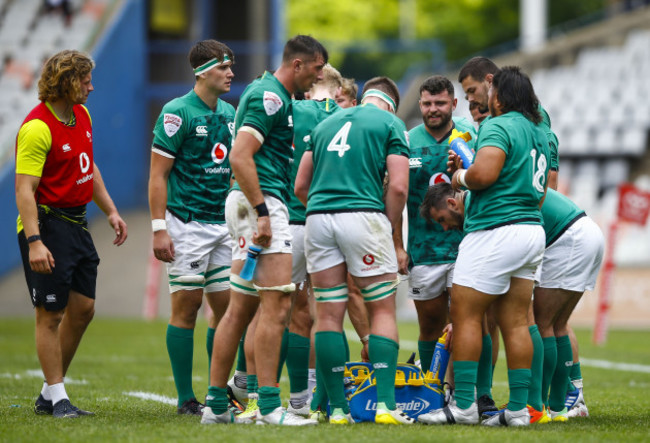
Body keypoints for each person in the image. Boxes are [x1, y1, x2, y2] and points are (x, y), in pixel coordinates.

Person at [202, 34, 327, 426]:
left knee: (240, 310)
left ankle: (216, 406)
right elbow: (240, 156)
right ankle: (271, 407)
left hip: (249, 203)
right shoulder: (270, 96)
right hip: (261, 202)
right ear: (298, 65)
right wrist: (262, 212)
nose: (319, 76)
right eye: (317, 68)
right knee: (277, 306)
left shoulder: (275, 95)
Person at [418, 66, 550, 427]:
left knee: (465, 315)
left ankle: (463, 406)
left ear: (501, 95)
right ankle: (520, 410)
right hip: (529, 229)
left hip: (495, 229)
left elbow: (483, 176)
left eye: (487, 91)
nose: (482, 98)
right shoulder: (538, 131)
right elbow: (540, 190)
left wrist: (459, 175)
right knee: (516, 323)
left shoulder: (498, 124)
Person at [15, 49, 127, 418]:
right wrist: (34, 242)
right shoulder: (36, 128)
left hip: (77, 223)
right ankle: (59, 398)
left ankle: (49, 393)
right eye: (85, 80)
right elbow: (24, 190)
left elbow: (87, 166)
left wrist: (110, 210)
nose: (91, 87)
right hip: (47, 227)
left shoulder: (82, 115)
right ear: (66, 81)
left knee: (84, 309)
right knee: (50, 314)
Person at [295, 76, 414, 425]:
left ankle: (339, 412)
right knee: (382, 311)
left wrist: (321, 208)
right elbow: (400, 187)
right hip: (363, 215)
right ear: (390, 102)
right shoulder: (391, 123)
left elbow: (301, 184)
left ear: (364, 97)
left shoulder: (324, 124)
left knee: (328, 315)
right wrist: (388, 226)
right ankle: (386, 407)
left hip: (317, 218)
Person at [148, 40, 235, 416]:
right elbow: (157, 175)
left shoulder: (232, 112)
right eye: (223, 68)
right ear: (202, 73)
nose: (231, 73)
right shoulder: (176, 112)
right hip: (186, 225)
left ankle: (217, 392)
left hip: (225, 225)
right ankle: (186, 398)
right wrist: (158, 228)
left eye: (231, 67)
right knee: (187, 307)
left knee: (229, 309)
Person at [394, 75, 476, 377]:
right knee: (429, 325)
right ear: (419, 104)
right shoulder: (406, 141)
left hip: (465, 249)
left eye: (440, 103)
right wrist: (398, 246)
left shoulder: (470, 137)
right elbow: (397, 197)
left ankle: (471, 393)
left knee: (469, 324)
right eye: (427, 103)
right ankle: (431, 387)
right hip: (423, 251)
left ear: (454, 104)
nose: (433, 109)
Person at [533, 189, 604, 421]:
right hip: (584, 231)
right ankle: (559, 407)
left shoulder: (488, 183)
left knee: (542, 323)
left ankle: (539, 406)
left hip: (569, 237)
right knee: (558, 324)